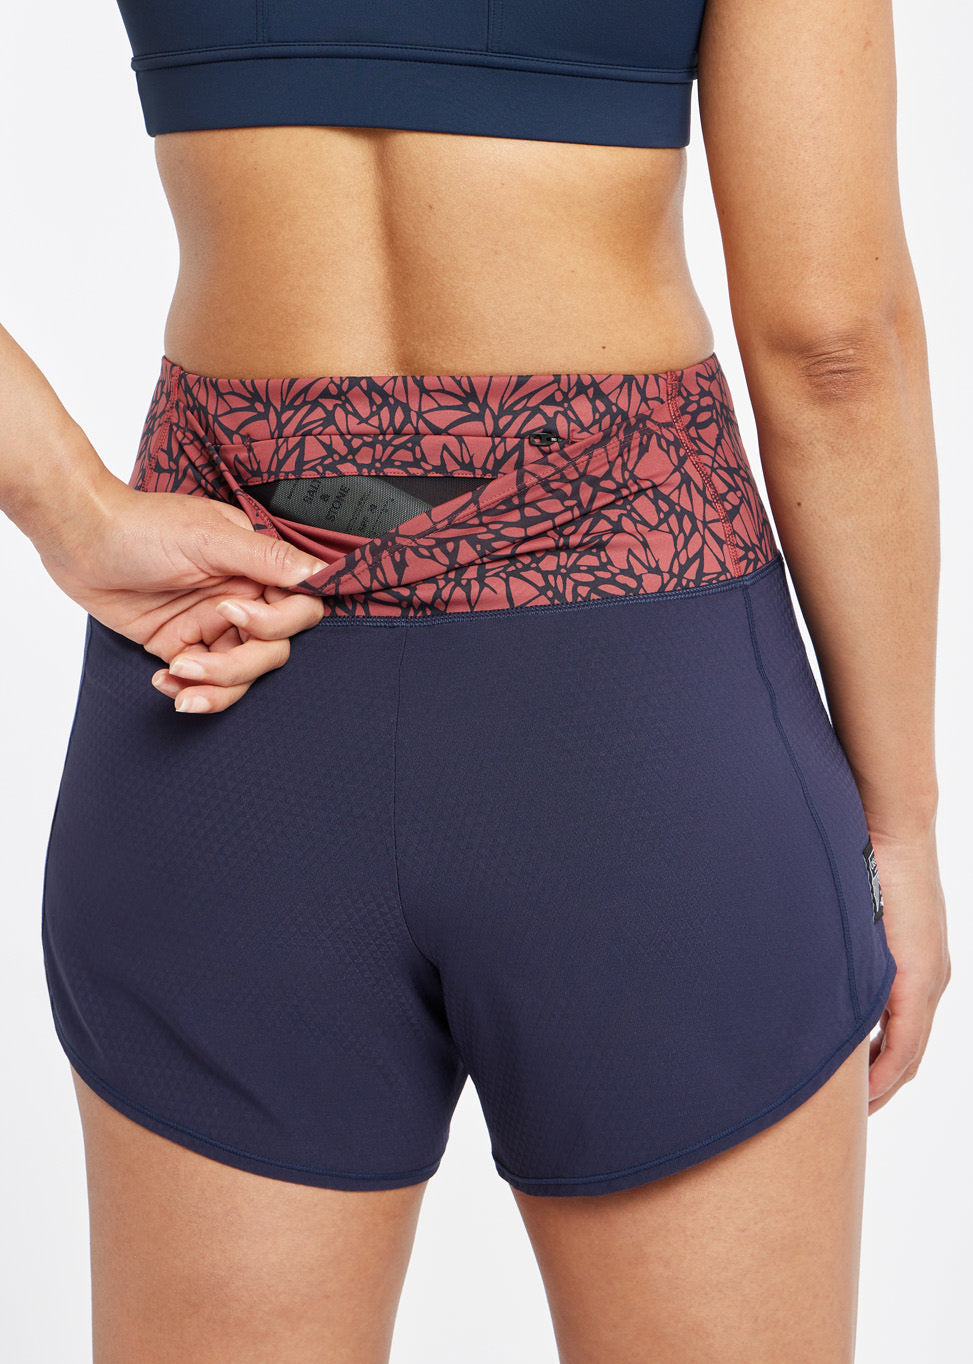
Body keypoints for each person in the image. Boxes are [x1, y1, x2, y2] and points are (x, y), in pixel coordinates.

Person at [0, 0, 950, 1358]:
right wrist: (900, 825)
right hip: (644, 707)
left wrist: (71, 509)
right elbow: (830, 342)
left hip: (227, 675)